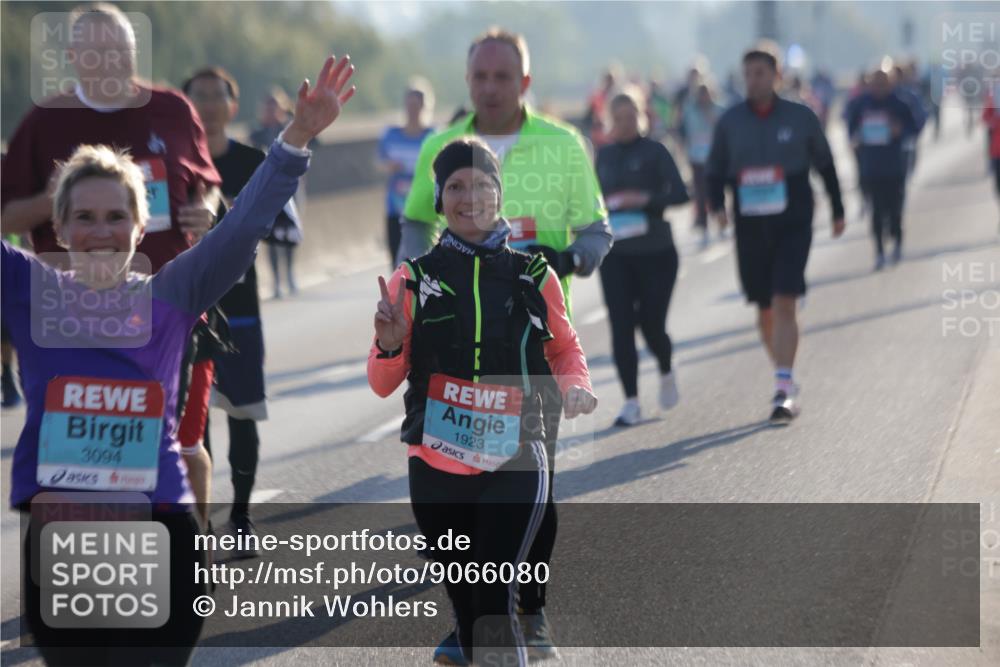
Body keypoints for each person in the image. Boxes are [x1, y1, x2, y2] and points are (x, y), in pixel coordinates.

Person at [3, 53, 355, 665]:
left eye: (117, 217)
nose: (100, 231)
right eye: (83, 217)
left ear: (141, 229)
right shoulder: (28, 291)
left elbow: (243, 224)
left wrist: (296, 136)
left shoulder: (171, 294)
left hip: (161, 534)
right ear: (57, 228)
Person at [396, 28, 611, 661]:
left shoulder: (563, 144)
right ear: (468, 83)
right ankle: (475, 617)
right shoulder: (441, 144)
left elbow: (597, 232)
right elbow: (414, 219)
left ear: (524, 81)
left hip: (530, 346)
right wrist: (414, 289)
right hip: (452, 353)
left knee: (531, 490)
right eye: (480, 77)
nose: (490, 88)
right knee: (459, 490)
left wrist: (564, 256)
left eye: (502, 77)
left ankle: (529, 610)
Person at [368, 137, 596, 667]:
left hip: (517, 455)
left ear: (500, 193)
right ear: (438, 197)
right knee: (469, 613)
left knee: (493, 601)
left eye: (481, 184)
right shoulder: (413, 279)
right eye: (455, 186)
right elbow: (382, 383)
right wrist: (390, 342)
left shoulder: (532, 274)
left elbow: (563, 347)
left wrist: (575, 385)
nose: (468, 196)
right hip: (435, 462)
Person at [0, 0, 224, 517]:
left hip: (164, 306)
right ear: (74, 57)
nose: (112, 63)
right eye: (97, 53)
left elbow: (207, 184)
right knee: (87, 450)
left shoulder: (172, 109)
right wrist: (51, 196)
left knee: (180, 443)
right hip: (68, 318)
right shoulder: (44, 120)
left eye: (120, 51)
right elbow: (9, 211)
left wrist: (203, 212)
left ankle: (192, 556)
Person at [183, 65, 302, 554]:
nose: (209, 104)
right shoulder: (173, 163)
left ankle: (242, 516)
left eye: (218, 95)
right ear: (186, 104)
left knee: (242, 414)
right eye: (199, 96)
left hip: (241, 312)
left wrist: (231, 215)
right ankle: (199, 526)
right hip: (185, 312)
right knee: (192, 426)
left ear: (233, 106)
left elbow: (290, 231)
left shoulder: (256, 161)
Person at [707, 42, 845, 423]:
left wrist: (837, 208)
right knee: (764, 309)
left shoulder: (800, 117)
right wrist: (717, 205)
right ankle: (784, 372)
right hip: (750, 223)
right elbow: (715, 169)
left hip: (793, 217)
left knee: (785, 299)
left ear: (777, 76)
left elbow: (826, 163)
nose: (753, 81)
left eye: (761, 73)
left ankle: (783, 386)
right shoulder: (730, 121)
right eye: (748, 74)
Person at [596, 89, 688, 426]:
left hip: (656, 253)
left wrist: (644, 198)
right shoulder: (603, 156)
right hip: (616, 255)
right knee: (620, 326)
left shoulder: (656, 151)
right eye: (617, 117)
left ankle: (665, 368)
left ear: (642, 116)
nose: (624, 123)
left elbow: (681, 193)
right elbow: (591, 201)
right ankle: (631, 401)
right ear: (609, 121)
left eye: (630, 115)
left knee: (651, 326)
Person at [846, 67, 918, 269]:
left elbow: (915, 126)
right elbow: (850, 127)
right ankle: (878, 251)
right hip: (871, 166)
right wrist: (855, 137)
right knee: (876, 211)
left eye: (883, 83)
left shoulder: (899, 104)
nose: (879, 87)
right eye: (875, 82)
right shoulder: (861, 104)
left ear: (890, 83)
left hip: (895, 165)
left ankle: (897, 239)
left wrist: (900, 130)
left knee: (895, 210)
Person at [378, 78, 435, 268]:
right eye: (409, 105)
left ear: (425, 107)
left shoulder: (433, 136)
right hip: (395, 206)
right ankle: (397, 297)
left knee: (421, 262)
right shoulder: (390, 135)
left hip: (422, 209)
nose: (412, 110)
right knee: (396, 261)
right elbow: (379, 162)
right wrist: (389, 166)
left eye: (416, 105)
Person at [681, 82, 726, 244]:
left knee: (716, 192)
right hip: (696, 158)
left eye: (706, 93)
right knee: (700, 194)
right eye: (700, 93)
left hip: (714, 157)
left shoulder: (719, 109)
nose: (703, 97)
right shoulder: (689, 110)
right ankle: (704, 227)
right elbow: (683, 130)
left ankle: (722, 224)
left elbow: (723, 130)